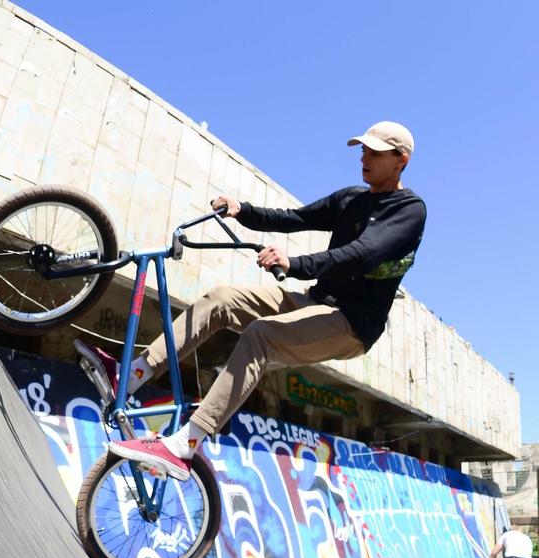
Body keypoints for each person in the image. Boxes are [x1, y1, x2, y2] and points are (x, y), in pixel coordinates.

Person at [76, 122, 426, 480]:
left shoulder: (409, 211)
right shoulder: (352, 198)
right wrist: (240, 209)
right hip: (312, 298)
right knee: (221, 299)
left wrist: (295, 264)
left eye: (374, 153)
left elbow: (362, 254)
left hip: (350, 323)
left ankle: (186, 445)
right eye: (362, 150)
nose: (364, 157)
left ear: (401, 160)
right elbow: (294, 219)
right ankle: (133, 374)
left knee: (260, 335)